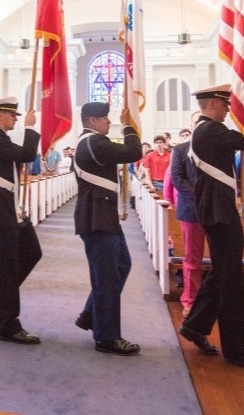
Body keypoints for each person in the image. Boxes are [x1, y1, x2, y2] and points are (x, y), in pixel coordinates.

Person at [179, 85, 244, 370]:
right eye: (226, 105)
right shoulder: (210, 130)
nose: (229, 110)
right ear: (211, 105)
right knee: (232, 281)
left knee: (223, 273)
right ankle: (236, 349)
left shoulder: (206, 130)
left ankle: (195, 326)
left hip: (217, 210)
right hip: (219, 213)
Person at [73, 102, 142, 356]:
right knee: (107, 276)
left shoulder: (91, 142)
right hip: (96, 217)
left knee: (121, 265)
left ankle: (90, 315)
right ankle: (107, 337)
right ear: (92, 121)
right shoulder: (92, 142)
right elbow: (133, 152)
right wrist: (128, 126)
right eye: (104, 118)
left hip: (103, 215)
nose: (108, 122)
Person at [0, 96, 42, 344]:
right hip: (1, 214)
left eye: (17, 115)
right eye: (12, 114)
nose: (16, 117)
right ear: (0, 116)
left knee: (32, 253)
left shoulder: (1, 140)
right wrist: (30, 127)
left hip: (13, 211)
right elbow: (27, 154)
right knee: (8, 269)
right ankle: (8, 325)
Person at [170, 110, 205, 318]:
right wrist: (200, 198)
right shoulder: (181, 150)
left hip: (215, 210)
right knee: (192, 259)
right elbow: (177, 178)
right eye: (196, 122)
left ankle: (211, 301)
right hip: (191, 209)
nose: (200, 125)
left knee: (220, 259)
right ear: (191, 126)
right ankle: (190, 300)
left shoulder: (216, 150)